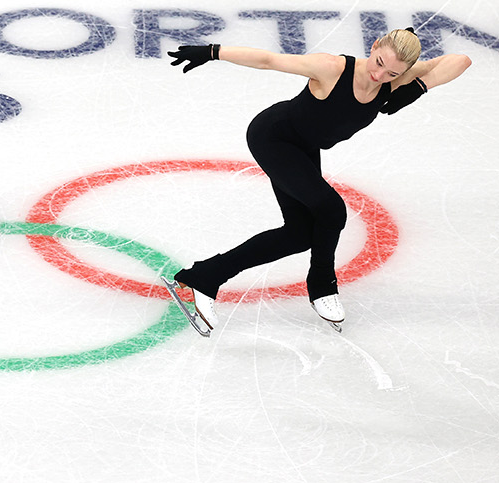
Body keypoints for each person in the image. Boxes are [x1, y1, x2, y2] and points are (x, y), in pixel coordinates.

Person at [165, 28, 470, 332]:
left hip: (303, 149)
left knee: (300, 234)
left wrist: (419, 86)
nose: (380, 75)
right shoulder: (332, 68)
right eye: (378, 62)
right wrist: (211, 51)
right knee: (331, 210)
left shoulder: (394, 79)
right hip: (274, 138)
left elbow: (461, 61)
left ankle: (203, 277)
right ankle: (322, 285)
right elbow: (268, 60)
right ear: (375, 45)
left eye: (392, 73)